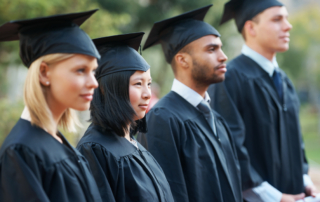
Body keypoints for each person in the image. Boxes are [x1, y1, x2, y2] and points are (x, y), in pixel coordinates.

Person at [208, 0, 319, 201]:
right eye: (277, 19)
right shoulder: (229, 78)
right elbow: (230, 150)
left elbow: (297, 143)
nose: (288, 26)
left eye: (286, 18)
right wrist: (274, 197)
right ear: (251, 27)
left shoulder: (284, 80)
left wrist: (305, 182)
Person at [138, 5, 242, 202]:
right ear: (182, 60)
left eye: (221, 48)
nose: (223, 56)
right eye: (212, 49)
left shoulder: (216, 119)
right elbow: (168, 194)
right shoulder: (162, 119)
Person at [0, 10, 103, 202]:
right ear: (44, 73)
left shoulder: (56, 140)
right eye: (81, 70)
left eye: (93, 71)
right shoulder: (21, 151)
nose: (94, 83)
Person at [76, 32, 174, 202]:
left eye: (149, 84)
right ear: (109, 89)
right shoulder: (95, 150)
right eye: (138, 84)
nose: (147, 94)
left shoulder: (133, 143)